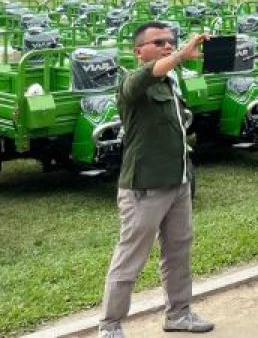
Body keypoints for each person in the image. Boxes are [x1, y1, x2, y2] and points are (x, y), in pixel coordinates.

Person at [99, 24, 213, 338]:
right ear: (139, 51)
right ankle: (110, 324)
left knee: (178, 251)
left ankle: (179, 314)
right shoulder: (131, 82)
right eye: (159, 42)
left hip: (177, 184)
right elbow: (146, 76)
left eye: (171, 42)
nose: (167, 46)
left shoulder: (168, 85)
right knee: (131, 256)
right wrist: (180, 55)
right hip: (144, 188)